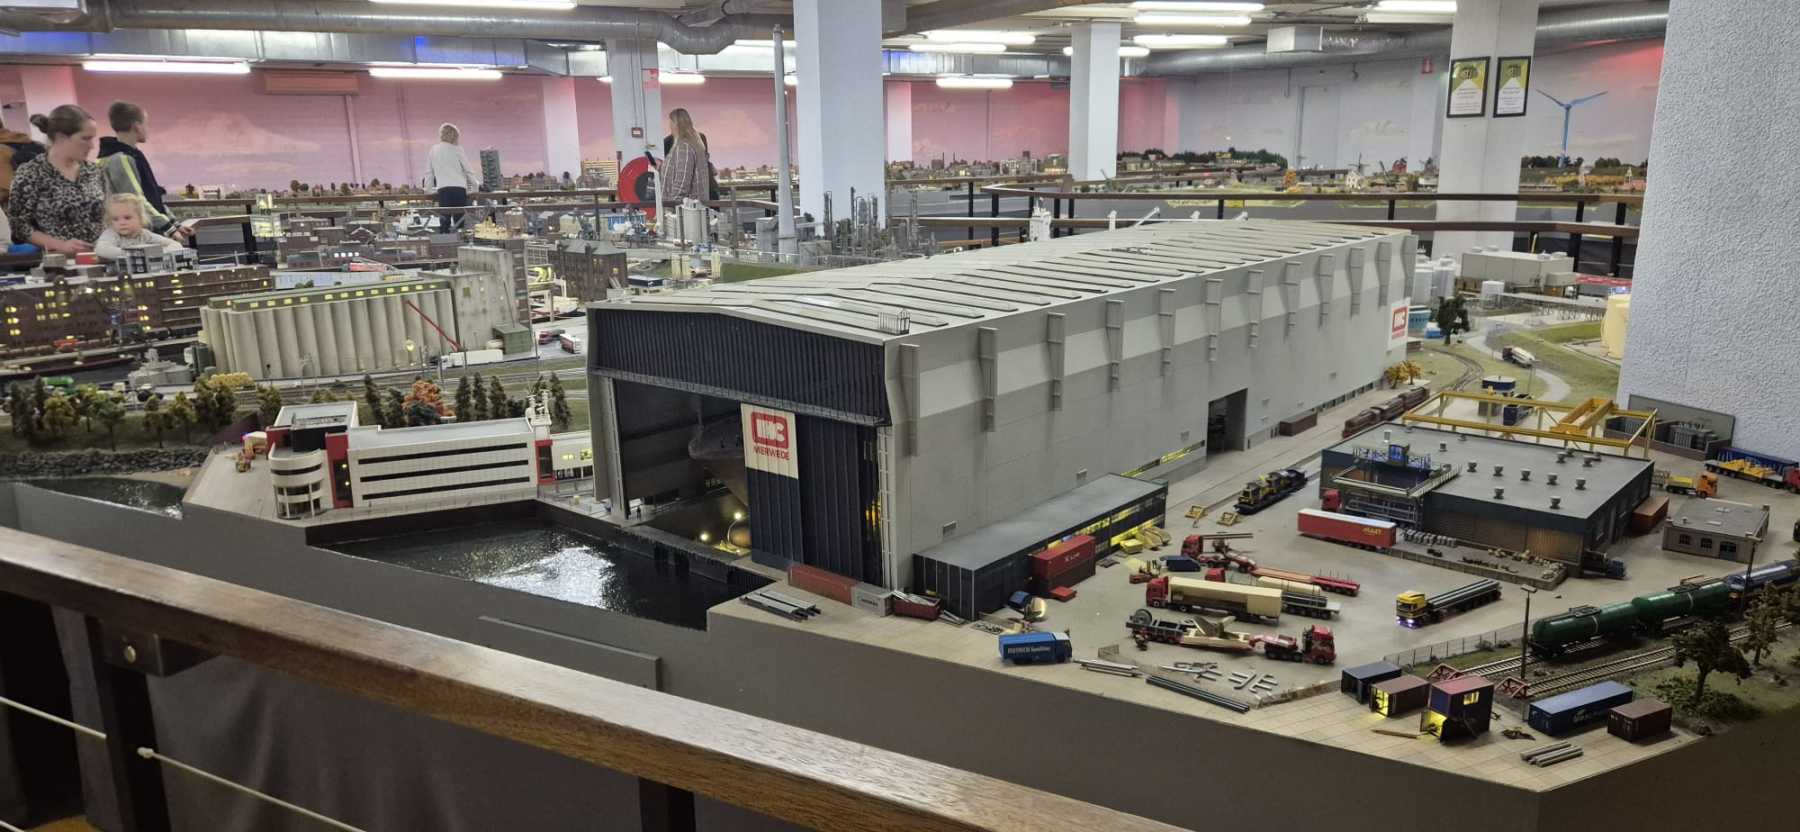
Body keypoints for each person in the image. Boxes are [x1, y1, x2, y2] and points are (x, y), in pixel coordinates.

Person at [9, 105, 104, 252]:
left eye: (92, 138)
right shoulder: (31, 173)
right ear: (61, 137)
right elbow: (19, 225)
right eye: (85, 138)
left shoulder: (94, 171)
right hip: (60, 260)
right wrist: (60, 245)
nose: (92, 146)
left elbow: (108, 214)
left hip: (101, 255)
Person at [98, 102, 189, 244]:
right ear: (137, 126)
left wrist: (173, 223)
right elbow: (136, 199)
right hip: (133, 236)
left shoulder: (131, 155)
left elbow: (153, 197)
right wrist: (168, 228)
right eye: (146, 124)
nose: (148, 129)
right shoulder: (120, 159)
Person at [424, 123, 479, 233]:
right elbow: (468, 170)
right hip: (459, 189)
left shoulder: (433, 150)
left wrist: (428, 190)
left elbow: (429, 173)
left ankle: (445, 240)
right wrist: (475, 188)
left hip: (443, 190)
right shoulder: (457, 149)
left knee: (444, 221)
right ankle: (460, 241)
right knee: (460, 222)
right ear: (455, 136)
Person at [94, 193, 182, 260]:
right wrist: (134, 255)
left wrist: (158, 253)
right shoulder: (111, 234)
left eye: (127, 218)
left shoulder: (145, 234)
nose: (122, 223)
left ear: (140, 218)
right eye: (115, 219)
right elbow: (101, 249)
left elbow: (176, 245)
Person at [661, 108, 719, 201]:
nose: (669, 126)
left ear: (675, 124)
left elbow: (682, 181)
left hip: (682, 206)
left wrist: (672, 203)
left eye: (671, 123)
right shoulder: (695, 143)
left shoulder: (684, 147)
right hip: (693, 204)